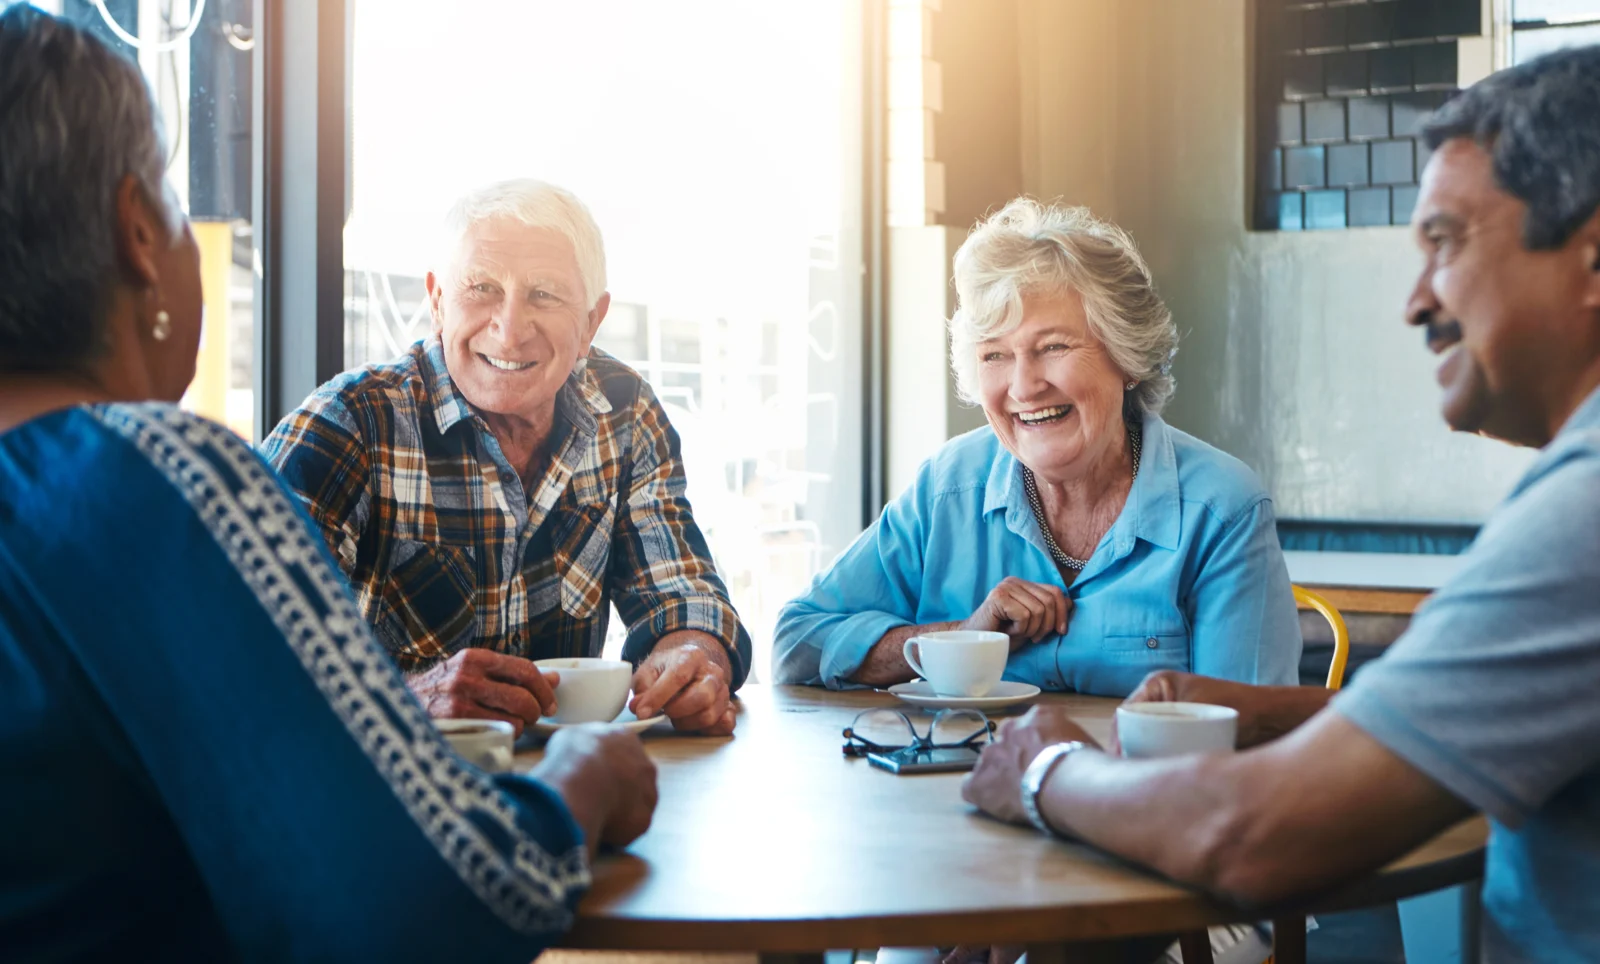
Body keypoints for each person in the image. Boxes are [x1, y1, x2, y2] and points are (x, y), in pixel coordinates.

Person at [0, 8, 655, 960]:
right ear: (140, 234)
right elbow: (426, 903)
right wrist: (584, 776)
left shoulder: (622, 413)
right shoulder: (160, 483)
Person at [962, 45, 1600, 963]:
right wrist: (1262, 711)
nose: (1416, 301)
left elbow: (1256, 837)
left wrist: (1044, 771)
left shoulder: (1582, 518)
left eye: (1448, 242)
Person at [261, 179, 750, 737]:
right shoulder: (348, 422)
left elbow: (686, 597)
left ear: (592, 321)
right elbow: (232, 642)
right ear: (438, 301)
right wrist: (404, 701)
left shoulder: (624, 410)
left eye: (545, 294)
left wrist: (695, 656)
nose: (511, 330)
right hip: (380, 795)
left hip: (573, 790)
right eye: (482, 288)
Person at [773, 199, 1302, 696]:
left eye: (1052, 347)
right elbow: (796, 642)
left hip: (1141, 792)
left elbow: (1248, 738)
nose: (1024, 387)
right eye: (995, 356)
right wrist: (962, 638)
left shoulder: (1221, 510)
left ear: (1127, 355)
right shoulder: (948, 489)